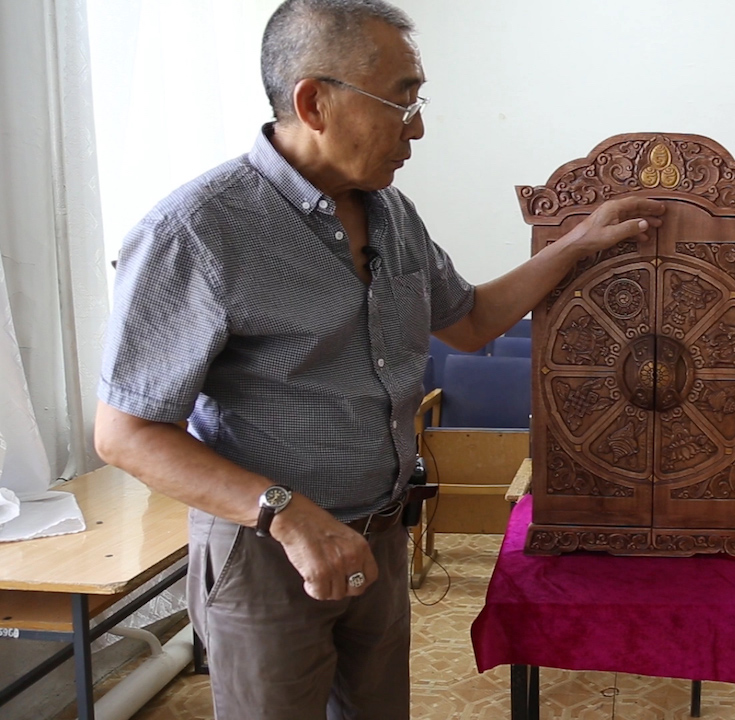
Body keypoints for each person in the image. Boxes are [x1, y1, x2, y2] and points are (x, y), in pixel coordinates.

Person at [93, 0, 663, 717]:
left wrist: (576, 243)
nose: (418, 126)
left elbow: (470, 320)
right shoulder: (197, 233)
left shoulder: (392, 214)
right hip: (270, 552)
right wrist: (288, 516)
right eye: (401, 101)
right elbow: (125, 434)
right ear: (314, 101)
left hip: (380, 535)